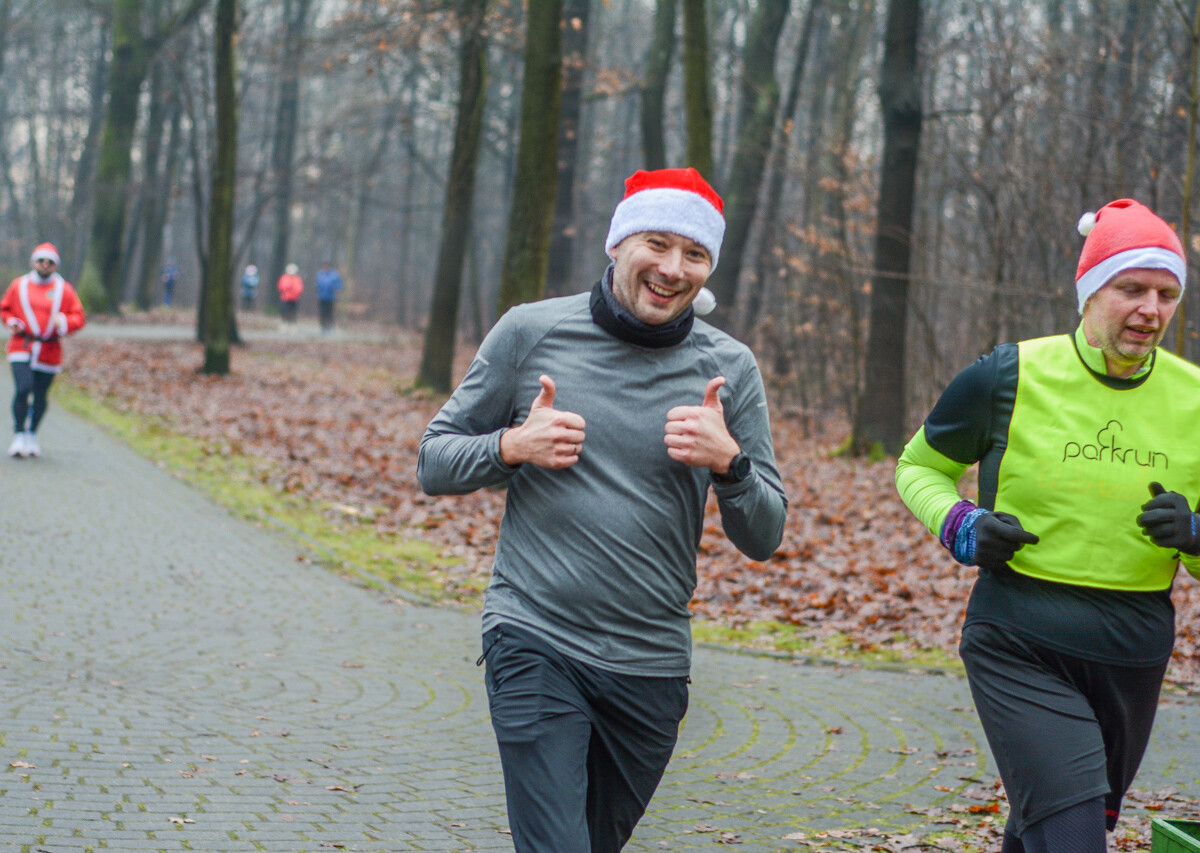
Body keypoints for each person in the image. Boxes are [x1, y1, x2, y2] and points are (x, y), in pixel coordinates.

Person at [418, 167, 788, 853]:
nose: (673, 268)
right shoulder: (531, 332)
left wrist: (729, 463)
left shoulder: (729, 368)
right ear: (618, 243)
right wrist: (512, 444)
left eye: (695, 254)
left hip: (650, 666)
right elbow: (432, 460)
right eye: (657, 243)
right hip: (534, 635)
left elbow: (765, 534)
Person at [895, 199, 1200, 853]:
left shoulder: (1195, 398)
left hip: (1133, 652)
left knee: (1049, 826)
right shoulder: (1007, 374)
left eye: (1167, 293)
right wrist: (963, 524)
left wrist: (1195, 532)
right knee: (1070, 831)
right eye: (1132, 289)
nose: (1151, 309)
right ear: (1090, 290)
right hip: (1019, 636)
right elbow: (918, 466)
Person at [1, 243, 87, 458]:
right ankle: (18, 433)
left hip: (49, 349)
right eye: (41, 261)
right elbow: (5, 308)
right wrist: (11, 321)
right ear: (34, 262)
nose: (45, 265)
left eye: (50, 262)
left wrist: (64, 322)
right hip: (22, 345)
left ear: (55, 265)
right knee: (23, 387)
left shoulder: (64, 290)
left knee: (41, 395)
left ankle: (32, 434)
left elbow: (79, 317)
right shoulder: (18, 285)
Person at [315, 260, 343, 333]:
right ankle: (323, 327)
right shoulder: (320, 274)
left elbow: (339, 285)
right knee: (322, 312)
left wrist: (335, 288)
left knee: (330, 312)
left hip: (331, 297)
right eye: (325, 265)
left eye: (327, 265)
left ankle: (330, 326)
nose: (326, 267)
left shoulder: (334, 275)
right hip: (321, 296)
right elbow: (317, 284)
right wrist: (318, 289)